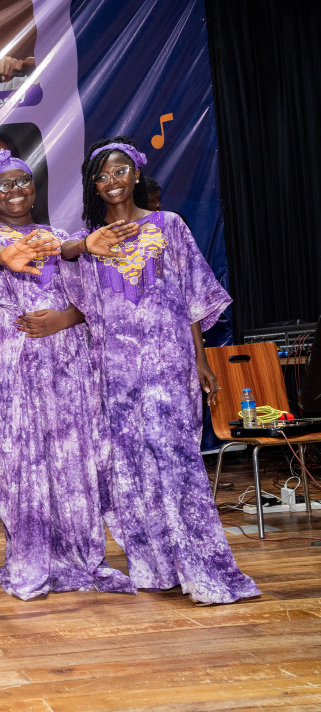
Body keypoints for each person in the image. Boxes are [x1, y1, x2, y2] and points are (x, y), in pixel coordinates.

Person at [61, 137, 260, 604]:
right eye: (102, 175)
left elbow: (191, 298)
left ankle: (205, 569)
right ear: (94, 185)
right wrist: (85, 245)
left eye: (120, 171)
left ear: (136, 175)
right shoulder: (91, 240)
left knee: (178, 463)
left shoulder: (167, 225)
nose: (112, 182)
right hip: (114, 372)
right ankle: (153, 566)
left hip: (168, 364)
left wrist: (202, 359)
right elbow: (65, 261)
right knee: (130, 469)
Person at [0, 151, 138, 600]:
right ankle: (31, 557)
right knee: (19, 463)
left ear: (34, 189)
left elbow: (91, 291)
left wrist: (63, 318)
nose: (15, 191)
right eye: (4, 184)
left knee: (72, 461)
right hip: (11, 372)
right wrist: (8, 254)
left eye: (23, 182)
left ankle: (80, 556)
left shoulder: (60, 237)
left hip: (66, 366)